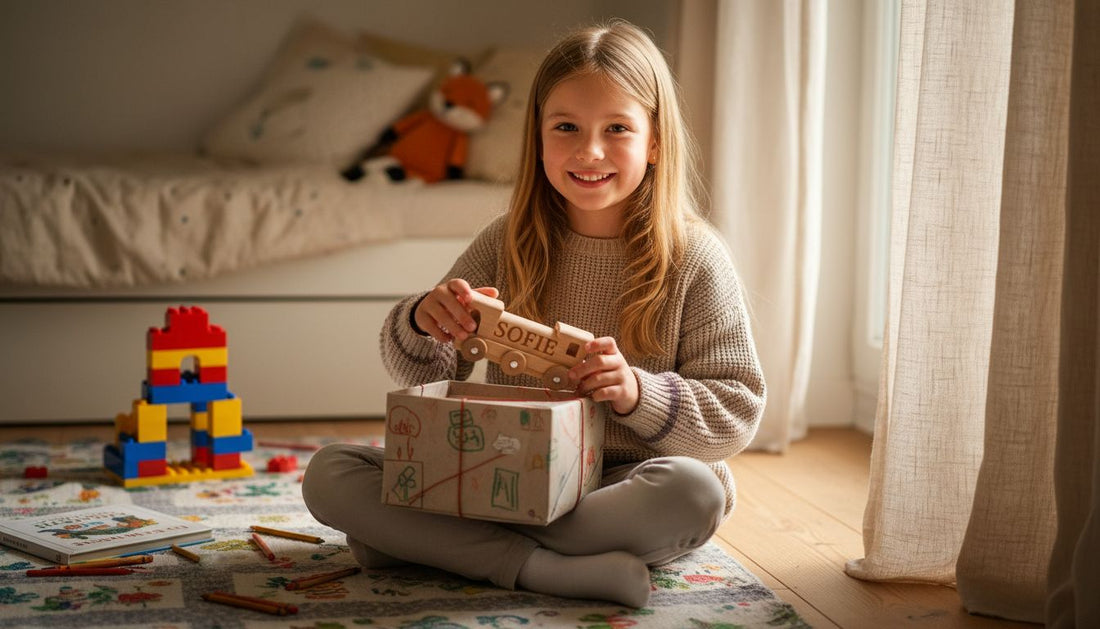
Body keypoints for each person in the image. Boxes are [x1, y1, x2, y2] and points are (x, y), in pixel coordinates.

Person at [303, 19, 766, 608]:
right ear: (539, 136)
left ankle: (432, 545)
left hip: (618, 487)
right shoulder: (508, 241)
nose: (589, 150)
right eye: (566, 126)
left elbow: (737, 410)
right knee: (331, 473)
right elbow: (413, 369)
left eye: (617, 128)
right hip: (501, 475)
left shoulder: (695, 258)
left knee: (695, 492)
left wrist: (635, 394)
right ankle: (543, 568)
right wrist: (424, 316)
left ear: (654, 141)